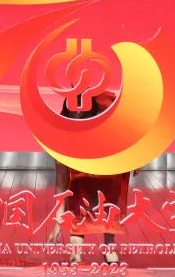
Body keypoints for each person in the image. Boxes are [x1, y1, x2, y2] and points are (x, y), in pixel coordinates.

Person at [53, 91, 130, 264]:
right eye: (72, 115)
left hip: (110, 173)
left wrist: (136, 160)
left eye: (81, 115)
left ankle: (109, 246)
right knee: (78, 201)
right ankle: (75, 251)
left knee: (110, 201)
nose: (77, 118)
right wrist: (58, 221)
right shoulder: (63, 140)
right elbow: (61, 183)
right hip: (81, 183)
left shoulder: (110, 127)